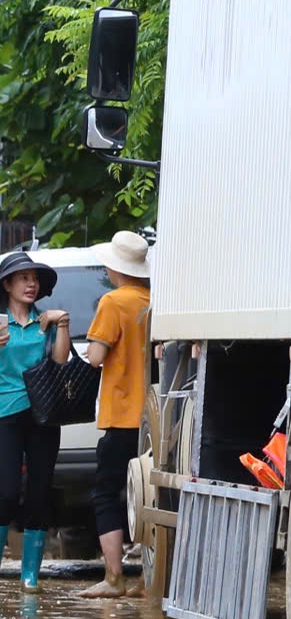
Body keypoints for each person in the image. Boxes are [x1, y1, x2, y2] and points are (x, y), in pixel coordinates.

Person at [74, 232, 152, 599]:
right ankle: (151, 578)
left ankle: (114, 577)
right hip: (154, 417)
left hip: (121, 415)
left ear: (112, 268)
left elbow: (95, 357)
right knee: (149, 495)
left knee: (107, 493)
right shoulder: (154, 301)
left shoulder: (113, 302)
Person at [0, 251, 72, 591]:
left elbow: (59, 362)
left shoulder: (45, 321)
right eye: (23, 278)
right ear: (8, 284)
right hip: (5, 414)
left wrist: (62, 325)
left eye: (35, 278)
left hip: (44, 414)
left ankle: (30, 575)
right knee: (6, 492)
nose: (31, 284)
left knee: (40, 491)